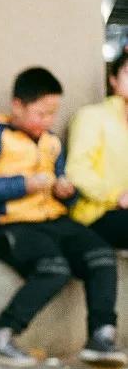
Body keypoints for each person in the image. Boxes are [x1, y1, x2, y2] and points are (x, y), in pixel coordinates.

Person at [0, 67, 125, 367]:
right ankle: (0, 335)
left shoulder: (51, 141)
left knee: (101, 255)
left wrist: (67, 191)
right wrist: (24, 184)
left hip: (53, 221)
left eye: (52, 114)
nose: (48, 121)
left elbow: (64, 183)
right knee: (53, 268)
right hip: (11, 225)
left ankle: (101, 337)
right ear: (17, 106)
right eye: (41, 113)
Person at [66, 48, 128, 246]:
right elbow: (77, 170)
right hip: (99, 214)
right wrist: (116, 196)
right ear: (113, 79)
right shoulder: (92, 116)